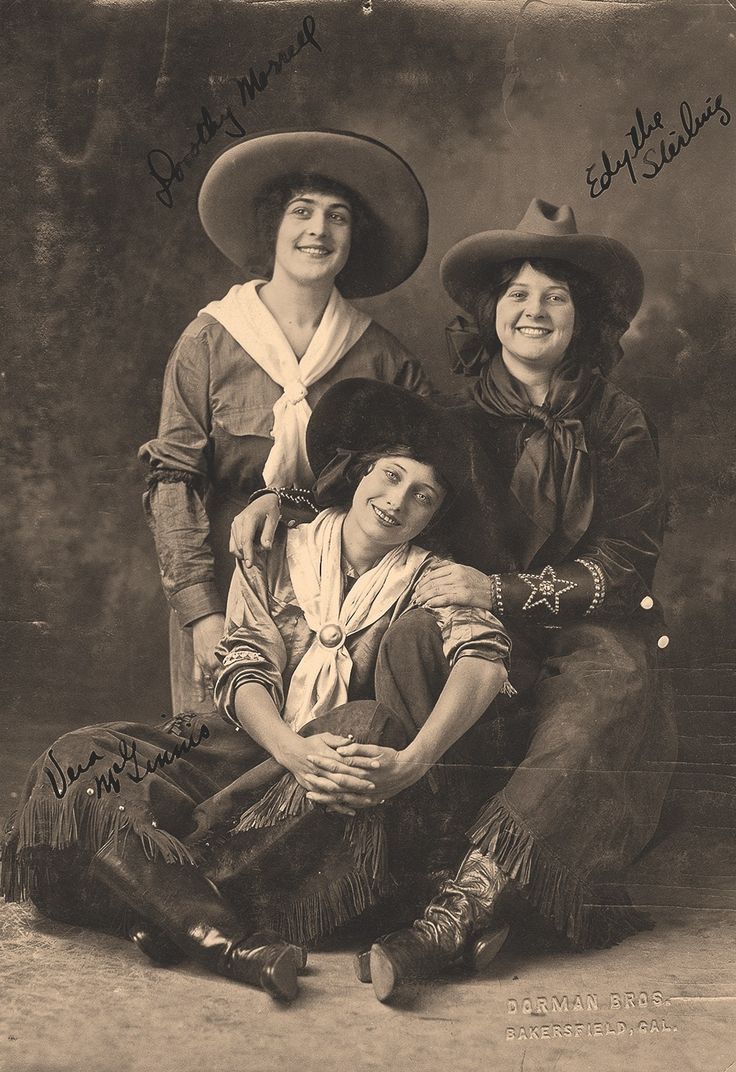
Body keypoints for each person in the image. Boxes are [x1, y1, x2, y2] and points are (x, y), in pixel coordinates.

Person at [231, 200, 678, 1002]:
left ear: (585, 318)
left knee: (610, 677)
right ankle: (433, 861)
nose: (534, 311)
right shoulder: (452, 415)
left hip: (581, 625)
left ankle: (460, 909)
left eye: (556, 296)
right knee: (407, 639)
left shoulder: (617, 420)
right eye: (517, 294)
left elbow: (630, 562)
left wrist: (510, 590)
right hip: (465, 623)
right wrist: (282, 504)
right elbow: (373, 489)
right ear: (490, 312)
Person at [1, 380, 511, 1005]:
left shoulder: (437, 576)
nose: (397, 500)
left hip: (325, 781)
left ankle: (179, 915)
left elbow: (482, 662)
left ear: (434, 515)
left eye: (422, 496)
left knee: (365, 724)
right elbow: (243, 669)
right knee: (79, 758)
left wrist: (412, 761)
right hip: (252, 742)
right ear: (358, 472)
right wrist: (288, 749)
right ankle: (218, 932)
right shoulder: (277, 547)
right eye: (390, 475)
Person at [139, 129, 431, 718]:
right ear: (273, 226)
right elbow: (173, 482)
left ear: (355, 239)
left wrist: (291, 499)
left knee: (314, 768)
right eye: (302, 212)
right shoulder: (210, 340)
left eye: (338, 217)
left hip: (341, 598)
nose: (318, 231)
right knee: (214, 758)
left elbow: (421, 480)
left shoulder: (382, 359)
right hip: (223, 576)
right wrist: (201, 611)